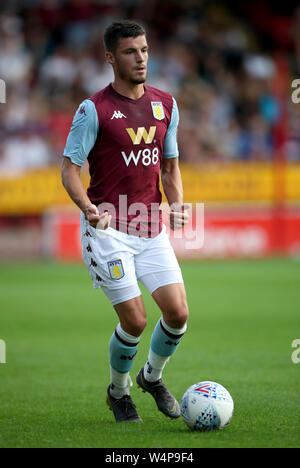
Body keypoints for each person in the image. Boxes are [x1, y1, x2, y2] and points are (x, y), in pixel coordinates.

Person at [61, 20, 190, 423]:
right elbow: (69, 169)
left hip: (150, 227)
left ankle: (151, 378)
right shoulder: (93, 109)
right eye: (131, 51)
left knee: (178, 314)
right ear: (110, 58)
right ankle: (118, 392)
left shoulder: (165, 104)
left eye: (145, 50)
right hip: (109, 230)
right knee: (135, 318)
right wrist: (87, 208)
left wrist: (179, 204)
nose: (141, 58)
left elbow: (169, 166)